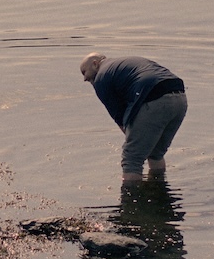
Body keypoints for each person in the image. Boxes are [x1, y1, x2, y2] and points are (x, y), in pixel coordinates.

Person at [80, 53, 187, 182]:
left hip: (154, 99)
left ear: (95, 64)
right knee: (155, 153)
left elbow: (119, 117)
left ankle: (131, 194)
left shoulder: (101, 78)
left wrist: (133, 140)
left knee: (132, 159)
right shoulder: (122, 63)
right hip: (179, 98)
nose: (84, 78)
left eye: (84, 72)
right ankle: (159, 189)